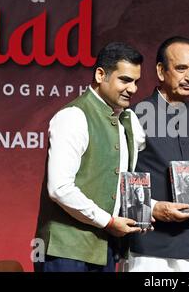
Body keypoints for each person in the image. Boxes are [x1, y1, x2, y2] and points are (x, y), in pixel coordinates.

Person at [34, 42, 148, 272]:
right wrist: (109, 221)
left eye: (136, 82)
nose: (133, 89)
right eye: (125, 80)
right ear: (100, 75)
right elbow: (60, 188)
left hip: (106, 247)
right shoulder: (73, 117)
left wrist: (152, 208)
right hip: (64, 251)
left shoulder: (128, 121)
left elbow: (121, 185)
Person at [127, 36, 189, 272]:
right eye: (181, 68)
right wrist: (152, 208)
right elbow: (120, 181)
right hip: (152, 249)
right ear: (161, 71)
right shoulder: (134, 117)